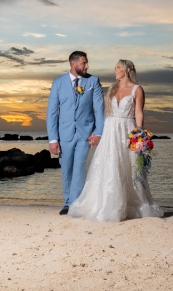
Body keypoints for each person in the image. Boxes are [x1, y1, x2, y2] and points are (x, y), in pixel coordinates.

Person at [67, 59, 164, 222]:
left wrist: (138, 135)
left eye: (118, 67)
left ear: (127, 70)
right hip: (110, 129)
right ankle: (105, 204)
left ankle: (128, 204)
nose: (115, 70)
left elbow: (139, 113)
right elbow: (104, 113)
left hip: (127, 128)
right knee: (108, 164)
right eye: (115, 67)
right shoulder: (112, 89)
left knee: (127, 166)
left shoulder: (137, 90)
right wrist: (98, 133)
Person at [46, 51, 105, 215]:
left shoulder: (93, 81)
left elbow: (99, 110)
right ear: (74, 64)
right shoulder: (58, 83)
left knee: (79, 167)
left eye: (87, 63)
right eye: (84, 63)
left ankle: (75, 204)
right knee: (66, 169)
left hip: (85, 133)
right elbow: (51, 112)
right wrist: (53, 139)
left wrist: (98, 133)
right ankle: (67, 201)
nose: (87, 66)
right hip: (64, 133)